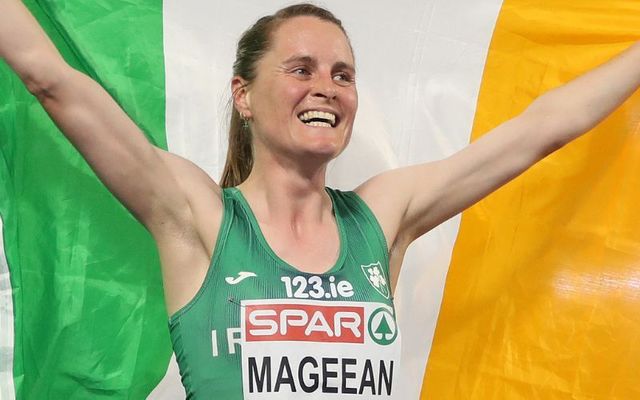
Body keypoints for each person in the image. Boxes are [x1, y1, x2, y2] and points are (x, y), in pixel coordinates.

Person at [2, 1, 640, 398]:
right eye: (300, 69)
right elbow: (50, 78)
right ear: (243, 95)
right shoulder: (196, 215)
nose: (326, 88)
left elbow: (543, 128)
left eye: (343, 74)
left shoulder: (384, 215)